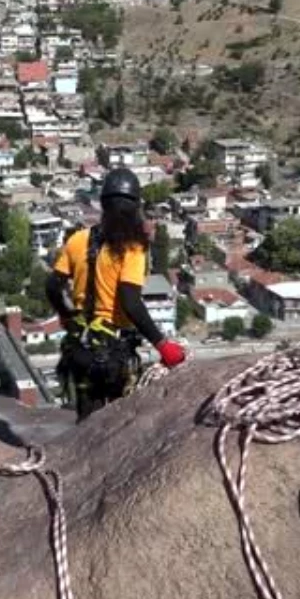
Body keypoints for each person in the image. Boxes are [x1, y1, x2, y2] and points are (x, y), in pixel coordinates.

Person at [45, 167, 187, 422]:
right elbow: (130, 302)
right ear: (136, 208)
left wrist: (67, 316)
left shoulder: (77, 239)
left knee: (87, 420)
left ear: (103, 204)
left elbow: (53, 286)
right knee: (118, 425)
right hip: (114, 353)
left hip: (81, 349)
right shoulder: (132, 247)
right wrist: (162, 345)